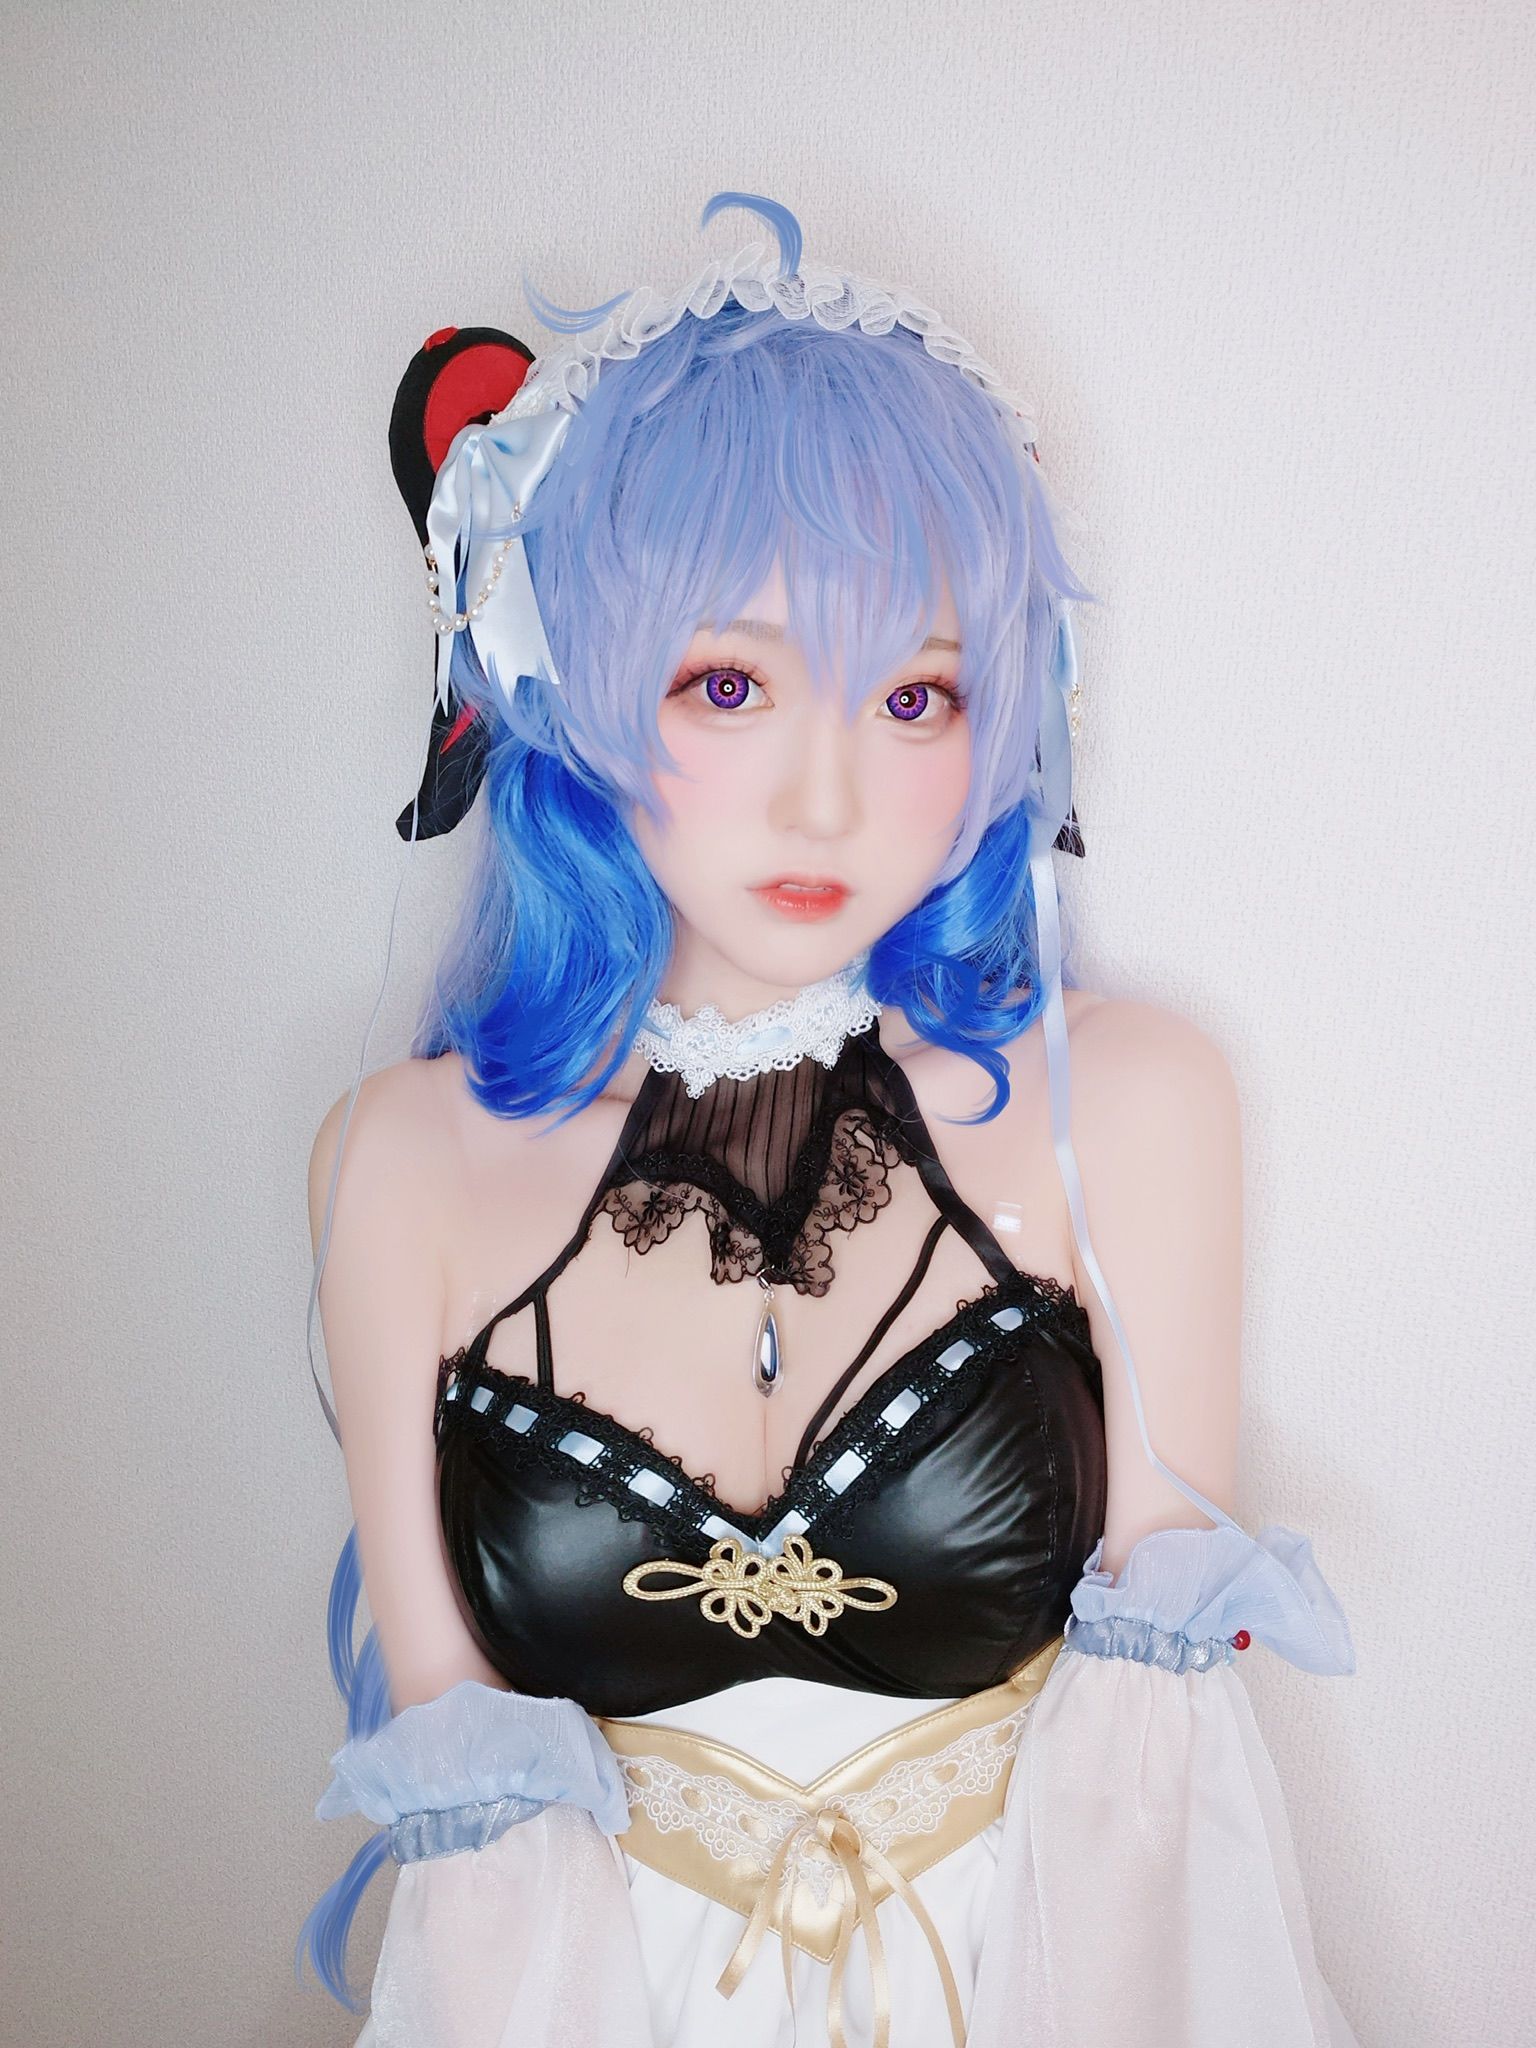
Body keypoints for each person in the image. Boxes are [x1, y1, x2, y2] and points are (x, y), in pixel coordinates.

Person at [294, 191, 1360, 2048]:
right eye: (728, 683)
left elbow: (1158, 1830)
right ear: (560, 678)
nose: (827, 797)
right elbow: (469, 1880)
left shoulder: (1128, 1110)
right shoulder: (404, 1165)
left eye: (914, 695)